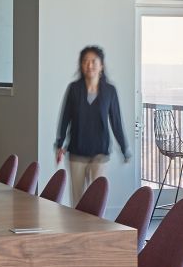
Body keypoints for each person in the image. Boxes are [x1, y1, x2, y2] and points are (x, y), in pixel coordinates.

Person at [54, 45, 130, 201]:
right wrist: (59, 144)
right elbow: (65, 118)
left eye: (93, 61)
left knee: (96, 199)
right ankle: (76, 226)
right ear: (81, 65)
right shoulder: (74, 89)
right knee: (77, 200)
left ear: (101, 65)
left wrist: (124, 148)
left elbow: (116, 121)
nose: (89, 65)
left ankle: (95, 226)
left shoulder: (109, 91)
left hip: (100, 152)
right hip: (77, 151)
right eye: (85, 61)